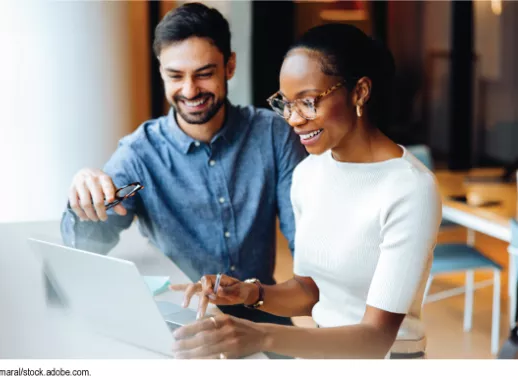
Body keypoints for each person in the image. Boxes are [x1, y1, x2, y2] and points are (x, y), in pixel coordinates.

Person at [170, 23, 442, 359]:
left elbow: (375, 339)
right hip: (321, 355)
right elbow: (309, 290)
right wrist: (248, 293)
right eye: (285, 103)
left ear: (360, 92)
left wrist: (260, 335)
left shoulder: (409, 188)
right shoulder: (309, 173)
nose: (293, 118)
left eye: (308, 102)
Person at [60, 2, 307, 326]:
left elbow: (307, 244)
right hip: (181, 324)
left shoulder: (273, 135)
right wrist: (83, 196)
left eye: (204, 74)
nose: (190, 90)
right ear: (161, 71)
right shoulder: (138, 154)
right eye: (175, 76)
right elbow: (88, 247)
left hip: (263, 315)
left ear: (229, 66)